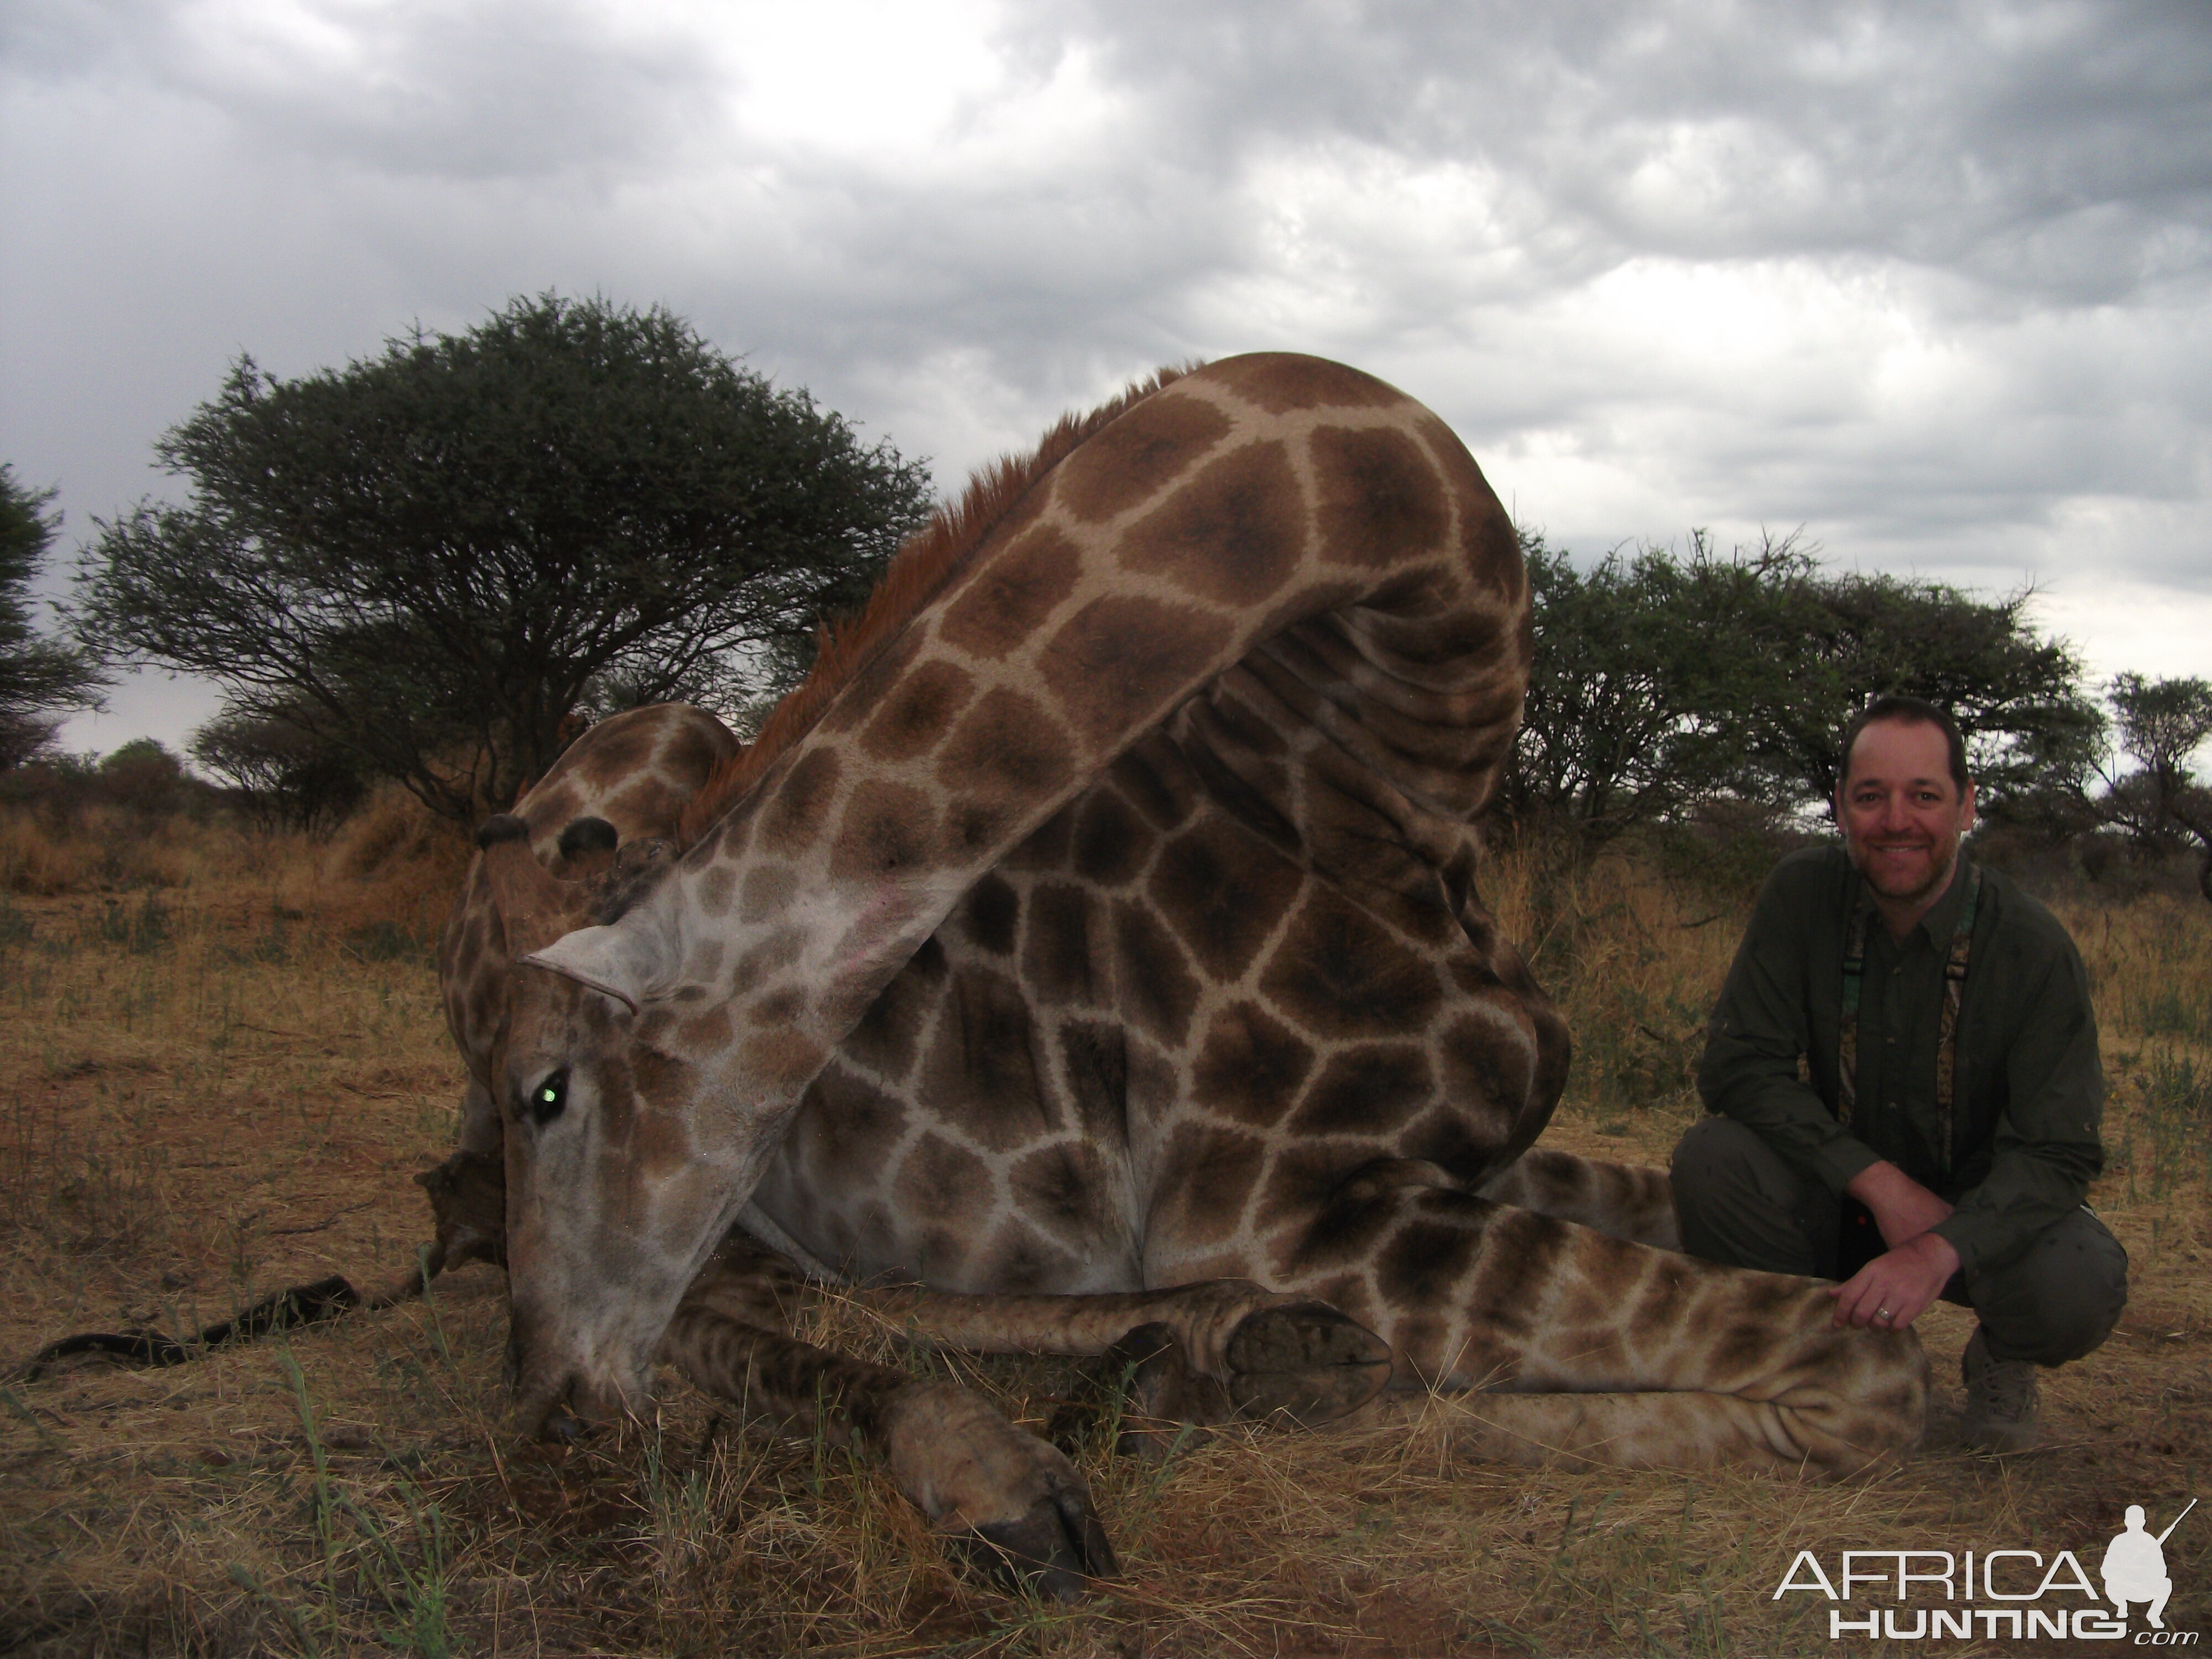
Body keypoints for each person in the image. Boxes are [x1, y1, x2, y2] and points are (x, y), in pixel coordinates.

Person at [1673, 693, 2127, 1451]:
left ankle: (2002, 1359)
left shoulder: (2033, 949)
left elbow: (2059, 1153)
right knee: (1712, 1160)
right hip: (1838, 1199)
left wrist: (1937, 1247)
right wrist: (1879, 1184)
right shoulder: (1802, 894)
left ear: (1965, 808)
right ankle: (1819, 1343)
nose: (1896, 821)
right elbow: (1738, 1066)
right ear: (1841, 808)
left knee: (2077, 1279)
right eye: (1871, 797)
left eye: (1924, 796)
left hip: (1969, 1229)